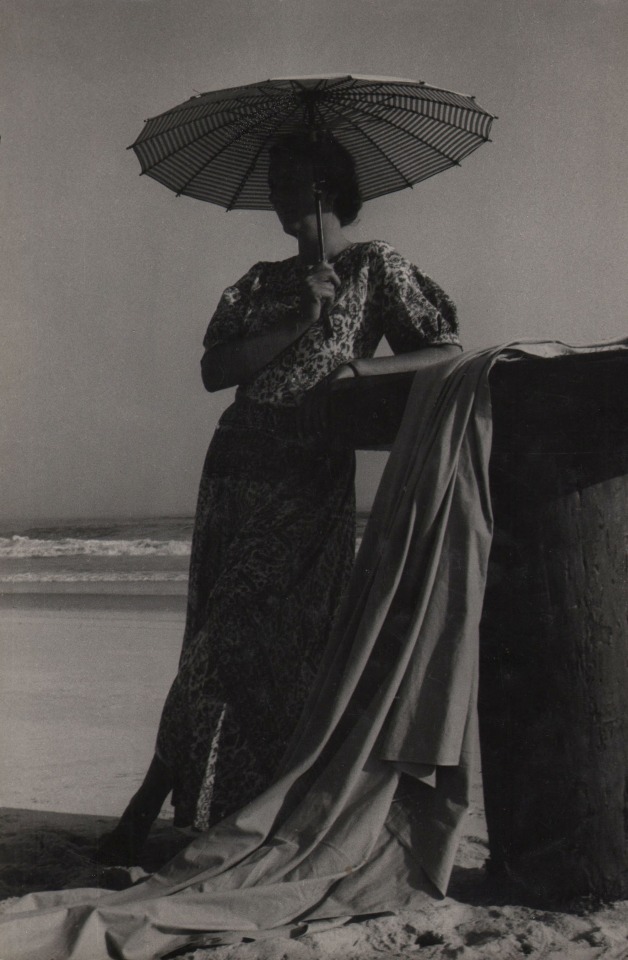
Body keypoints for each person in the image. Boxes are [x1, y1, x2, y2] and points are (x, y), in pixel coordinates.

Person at [98, 133, 462, 865]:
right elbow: (214, 372)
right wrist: (299, 315)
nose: (272, 193)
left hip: (309, 484)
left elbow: (448, 349)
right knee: (212, 637)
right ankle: (159, 800)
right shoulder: (260, 282)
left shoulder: (374, 265)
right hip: (235, 472)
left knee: (279, 654)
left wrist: (360, 365)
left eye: (284, 178)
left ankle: (194, 809)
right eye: (270, 179)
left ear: (325, 186)